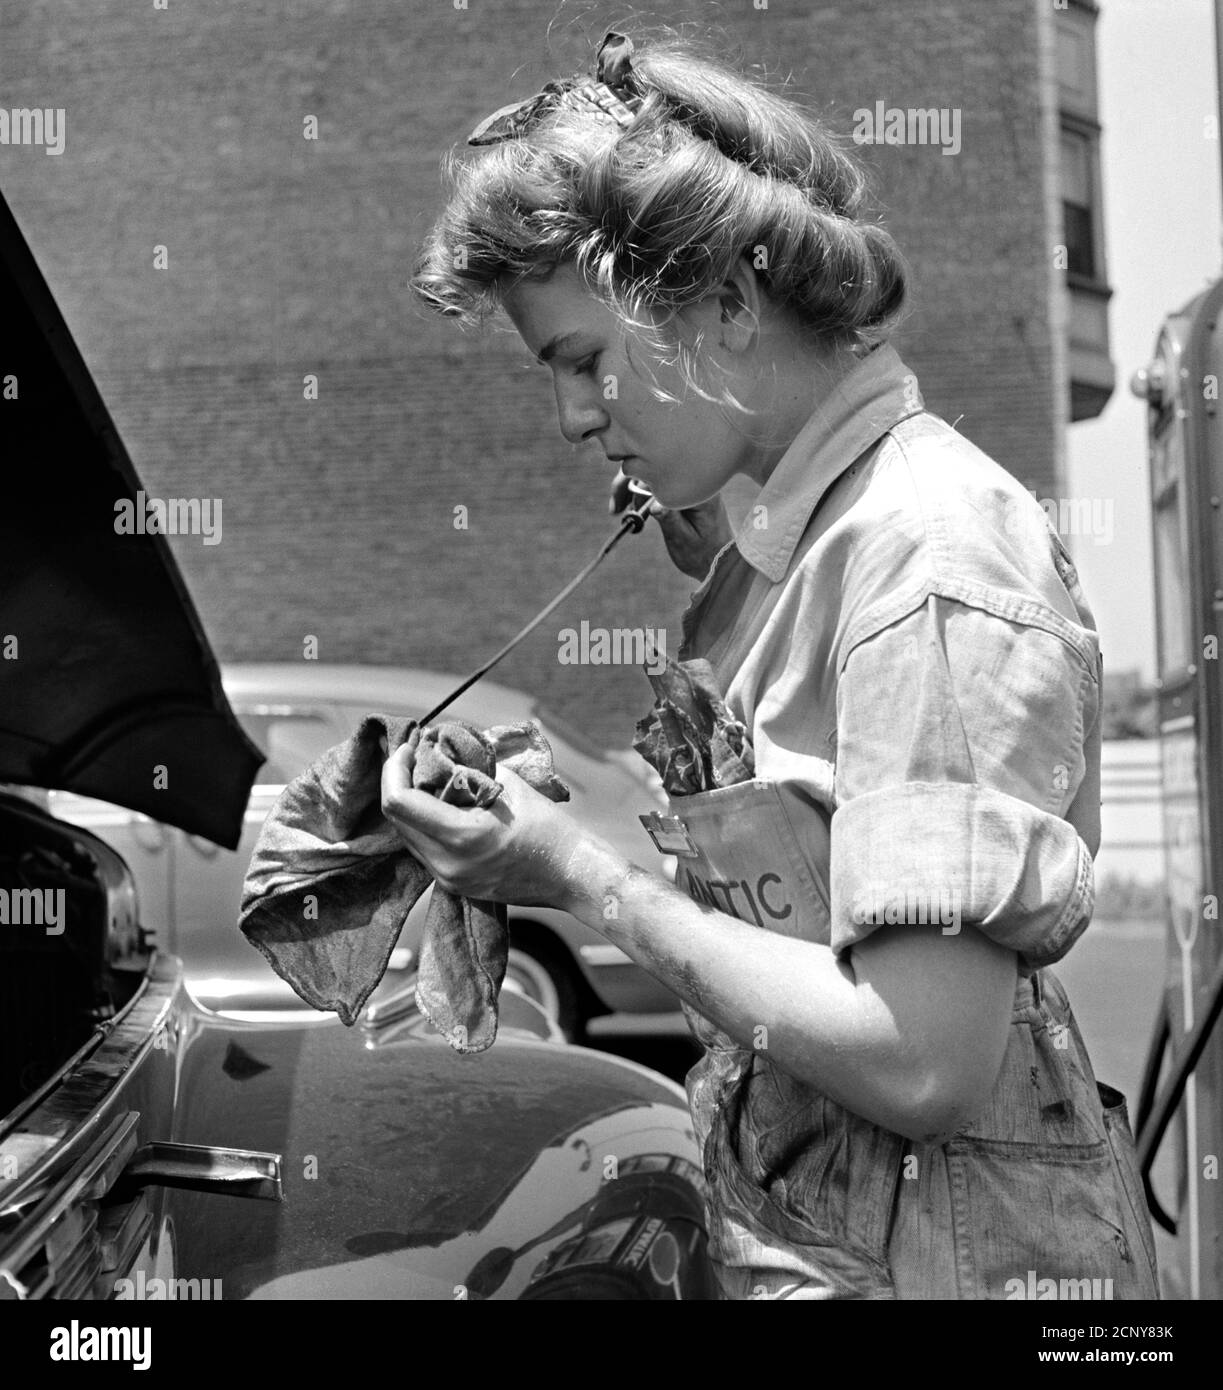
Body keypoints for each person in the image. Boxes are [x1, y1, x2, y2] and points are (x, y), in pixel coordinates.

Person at [396, 28, 1160, 1300]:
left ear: (727, 305)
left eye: (583, 360)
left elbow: (920, 1057)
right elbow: (800, 927)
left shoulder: (919, 555)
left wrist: (583, 879)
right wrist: (525, 827)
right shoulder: (785, 552)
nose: (576, 416)